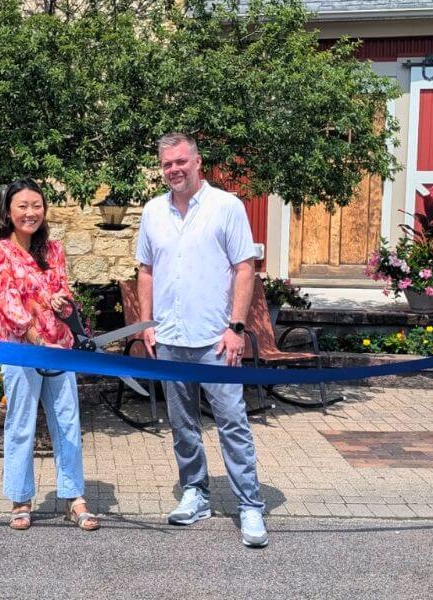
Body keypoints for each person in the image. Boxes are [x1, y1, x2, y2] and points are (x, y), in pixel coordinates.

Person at [136, 132, 267, 548]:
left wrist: (237, 327)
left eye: (181, 162)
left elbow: (244, 268)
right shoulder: (153, 211)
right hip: (170, 338)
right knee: (182, 424)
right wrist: (146, 324)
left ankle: (250, 505)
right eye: (166, 164)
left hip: (216, 340)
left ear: (197, 162)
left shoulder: (226, 206)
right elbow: (146, 270)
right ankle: (195, 493)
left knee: (232, 423)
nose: (174, 169)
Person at [0, 178, 99, 532]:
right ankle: (20, 499)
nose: (30, 212)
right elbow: (7, 303)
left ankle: (74, 497)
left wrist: (60, 301)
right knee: (21, 424)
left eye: (37, 205)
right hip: (21, 349)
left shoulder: (54, 250)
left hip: (59, 348)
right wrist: (35, 336)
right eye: (23, 206)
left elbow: (61, 287)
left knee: (67, 422)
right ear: (8, 211)